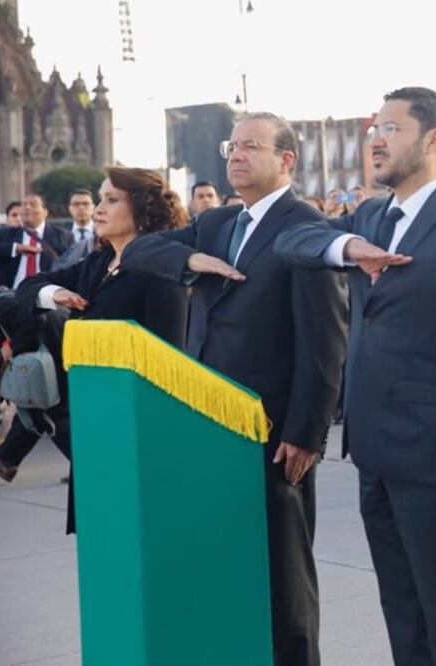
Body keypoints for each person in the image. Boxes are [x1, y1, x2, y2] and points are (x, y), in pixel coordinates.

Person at [274, 87, 436, 666]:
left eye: (391, 129)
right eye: (373, 129)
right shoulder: (373, 216)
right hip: (374, 451)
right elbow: (293, 241)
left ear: (434, 140)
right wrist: (349, 245)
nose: (374, 139)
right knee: (402, 610)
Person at [119, 112, 349, 666]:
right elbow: (141, 252)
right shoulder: (218, 222)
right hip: (208, 426)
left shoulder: (303, 226)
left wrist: (306, 432)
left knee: (284, 583)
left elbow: (325, 342)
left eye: (251, 146)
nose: (236, 156)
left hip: (272, 433)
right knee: (227, 569)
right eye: (232, 146)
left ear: (286, 160)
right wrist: (191, 258)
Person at [0, 168, 190, 536]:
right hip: (94, 421)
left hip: (135, 432)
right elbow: (29, 287)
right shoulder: (99, 263)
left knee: (132, 537)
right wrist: (55, 295)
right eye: (99, 199)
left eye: (111, 200)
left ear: (144, 209)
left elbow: (170, 362)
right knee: (100, 542)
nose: (98, 209)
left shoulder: (161, 271)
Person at [0, 194, 73, 290]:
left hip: (47, 293)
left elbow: (71, 266)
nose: (27, 207)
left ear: (45, 212)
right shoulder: (6, 234)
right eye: (24, 205)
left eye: (33, 205)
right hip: (12, 293)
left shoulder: (62, 236)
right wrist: (15, 248)